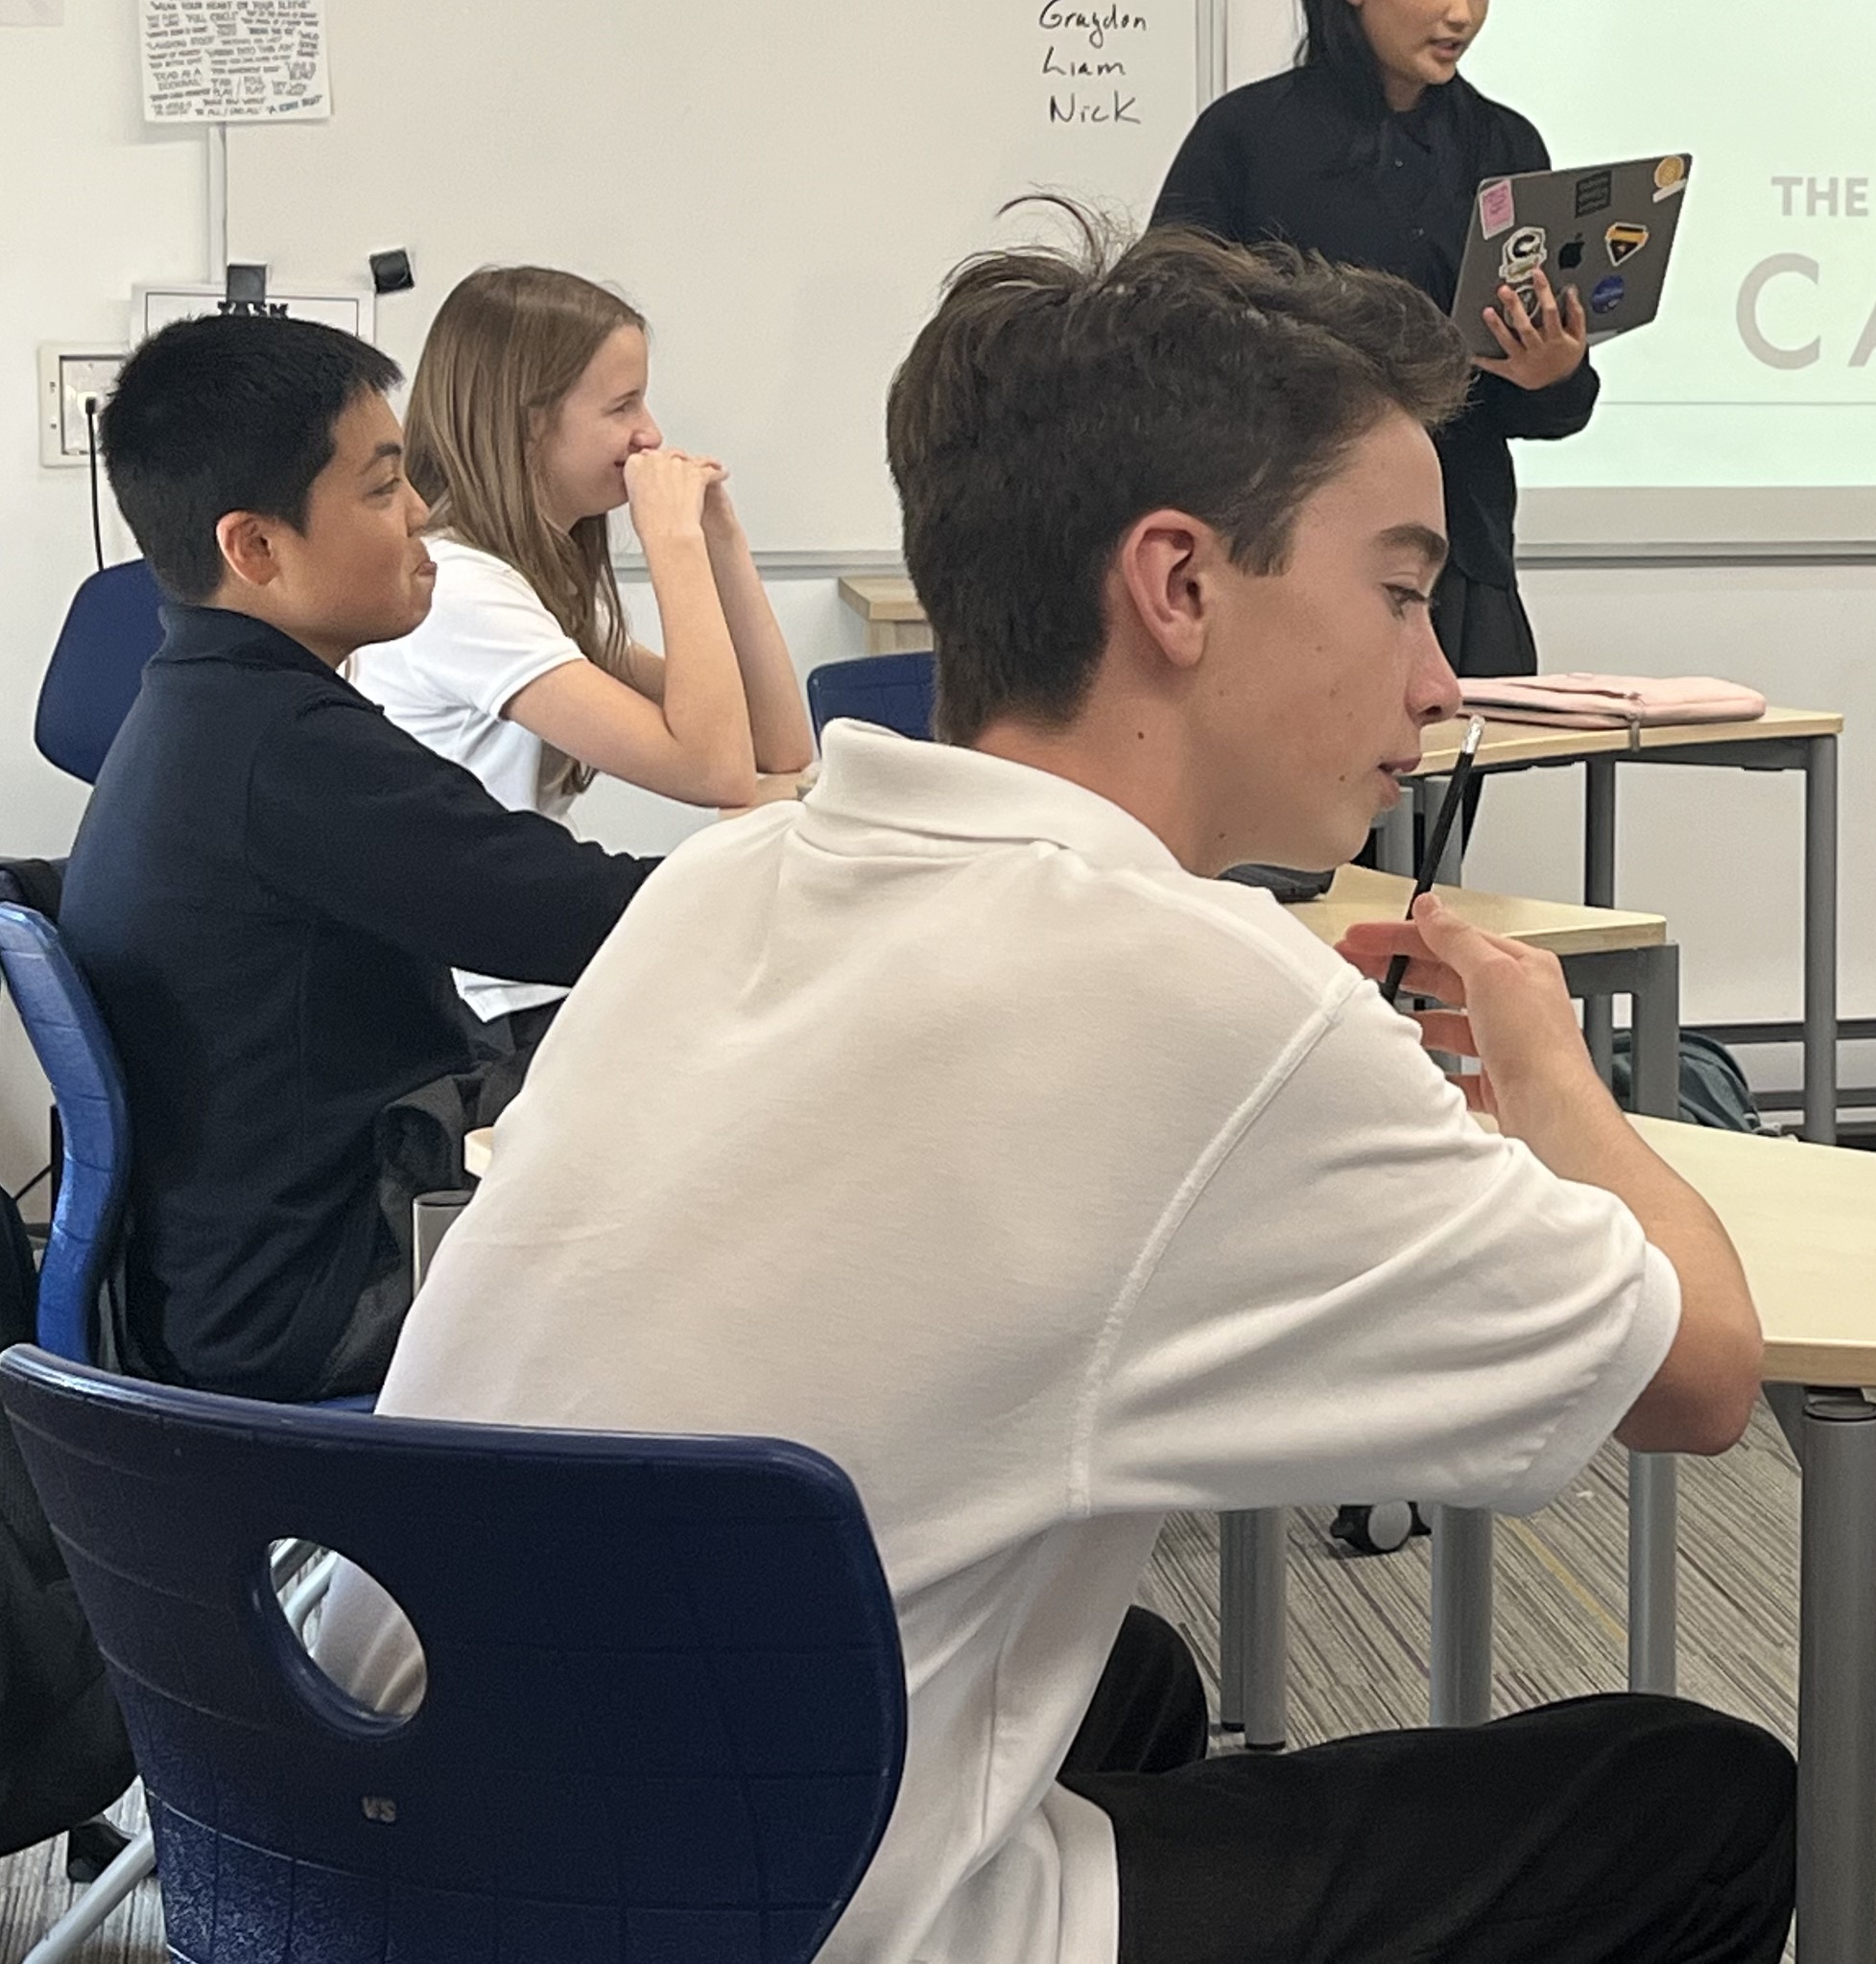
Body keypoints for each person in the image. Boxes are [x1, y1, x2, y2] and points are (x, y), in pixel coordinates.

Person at [312, 222, 1791, 1964]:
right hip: (748, 1912)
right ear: (1178, 584)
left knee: (1124, 1677)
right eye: (1401, 591)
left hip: (381, 1855)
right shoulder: (1201, 988)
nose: (1437, 677)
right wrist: (1553, 1075)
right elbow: (1699, 1373)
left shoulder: (727, 881)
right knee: (1695, 1798)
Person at [65, 313, 654, 1402]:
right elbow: (585, 916)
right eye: (382, 488)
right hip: (315, 1296)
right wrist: (801, 868)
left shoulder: (203, 704)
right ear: (256, 548)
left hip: (232, 1276)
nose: (421, 510)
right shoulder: (289, 751)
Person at [1152, 0, 1592, 677]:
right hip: (1280, 546)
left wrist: (1554, 373)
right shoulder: (1247, 137)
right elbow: (1160, 337)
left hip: (1458, 555)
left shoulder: (1504, 146)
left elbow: (1540, 405)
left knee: (1461, 758)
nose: (1462, 13)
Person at [349, 265, 812, 1050]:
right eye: (623, 406)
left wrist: (723, 543)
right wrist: (671, 544)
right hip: (486, 1010)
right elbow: (718, 770)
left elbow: (779, 748)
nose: (650, 435)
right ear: (531, 424)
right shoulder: (461, 590)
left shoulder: (524, 577)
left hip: (533, 975)